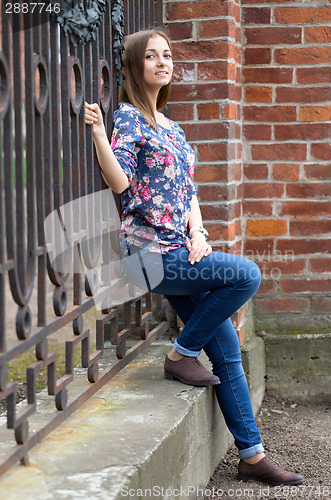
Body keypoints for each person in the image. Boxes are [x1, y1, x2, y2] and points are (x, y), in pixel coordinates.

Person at [84, 29, 303, 487]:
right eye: (151, 56)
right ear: (133, 65)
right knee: (246, 274)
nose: (163, 62)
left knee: (226, 351)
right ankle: (181, 353)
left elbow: (189, 192)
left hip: (181, 249)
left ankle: (252, 455)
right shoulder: (126, 118)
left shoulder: (173, 127)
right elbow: (120, 183)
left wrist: (199, 231)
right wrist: (100, 135)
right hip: (148, 255)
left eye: (167, 55)